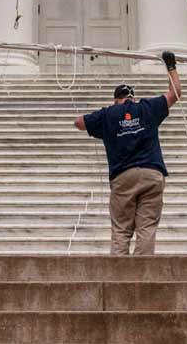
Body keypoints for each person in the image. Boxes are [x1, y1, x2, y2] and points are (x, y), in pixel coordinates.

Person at [75, 51, 181, 255]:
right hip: (152, 173)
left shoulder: (108, 114)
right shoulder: (148, 107)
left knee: (121, 230)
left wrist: (104, 125)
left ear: (117, 100)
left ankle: (119, 278)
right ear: (132, 97)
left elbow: (78, 122)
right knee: (147, 228)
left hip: (123, 177)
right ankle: (141, 276)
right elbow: (175, 92)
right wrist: (171, 66)